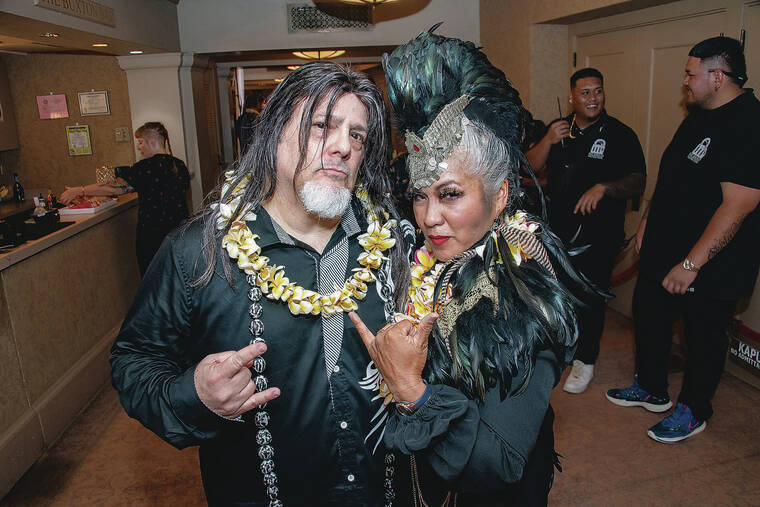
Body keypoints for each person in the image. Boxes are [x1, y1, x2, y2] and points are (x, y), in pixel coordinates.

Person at [110, 62, 414, 506]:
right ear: (273, 133)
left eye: (357, 135)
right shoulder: (199, 250)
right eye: (320, 126)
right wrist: (194, 395)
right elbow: (134, 361)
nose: (342, 147)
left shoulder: (393, 243)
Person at [349, 27, 600, 506]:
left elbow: (497, 461)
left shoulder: (525, 293)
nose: (429, 217)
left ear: (500, 194)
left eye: (449, 194)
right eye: (419, 197)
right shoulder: (447, 254)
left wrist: (410, 388)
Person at [606, 37, 760, 443]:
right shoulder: (699, 113)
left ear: (718, 76)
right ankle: (651, 388)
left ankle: (694, 408)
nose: (685, 83)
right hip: (664, 248)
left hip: (710, 264)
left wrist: (691, 265)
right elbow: (673, 173)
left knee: (704, 336)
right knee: (650, 315)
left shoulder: (747, 123)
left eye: (691, 74)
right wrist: (648, 222)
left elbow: (739, 204)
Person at [526, 68, 646, 394]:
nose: (592, 99)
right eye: (585, 93)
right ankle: (561, 349)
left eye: (598, 91)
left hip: (600, 234)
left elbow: (638, 180)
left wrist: (604, 187)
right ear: (572, 97)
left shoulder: (621, 135)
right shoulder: (561, 130)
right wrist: (549, 140)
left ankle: (586, 360)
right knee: (559, 295)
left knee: (591, 298)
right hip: (558, 232)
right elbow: (530, 167)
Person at [60, 122, 191, 276]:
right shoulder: (179, 165)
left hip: (153, 236)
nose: (139, 147)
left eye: (141, 142)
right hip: (180, 233)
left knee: (153, 280)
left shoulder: (146, 167)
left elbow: (115, 187)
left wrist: (80, 190)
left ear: (152, 142)